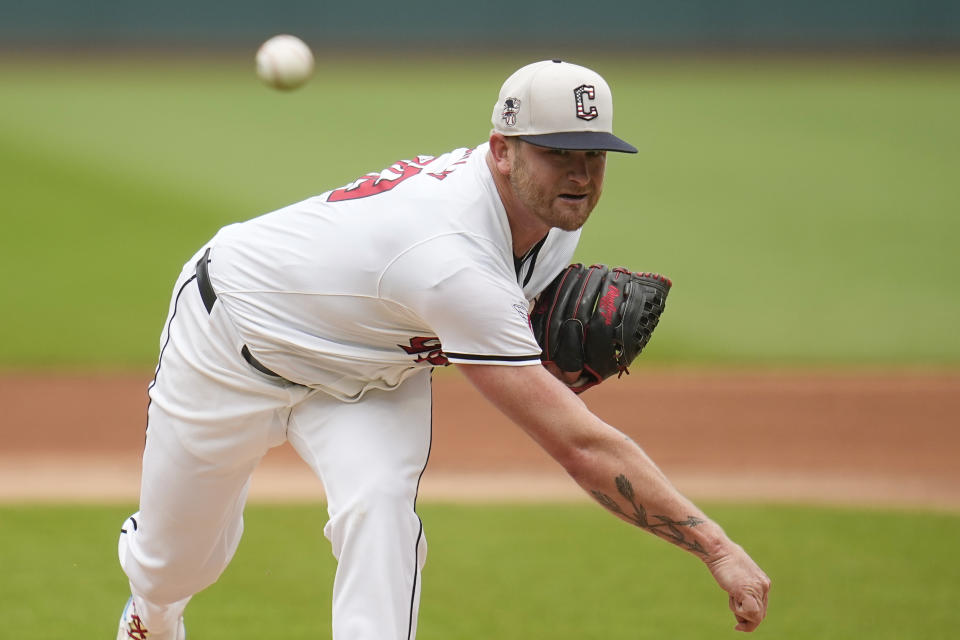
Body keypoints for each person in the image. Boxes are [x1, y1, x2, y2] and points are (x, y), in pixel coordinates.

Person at [116, 59, 770, 640]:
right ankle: (154, 613)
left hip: (373, 369)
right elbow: (581, 446)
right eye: (558, 152)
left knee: (382, 514)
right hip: (231, 341)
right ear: (503, 151)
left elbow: (510, 333)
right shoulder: (448, 260)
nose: (580, 175)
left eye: (593, 155)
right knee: (177, 565)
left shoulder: (552, 218)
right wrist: (716, 548)